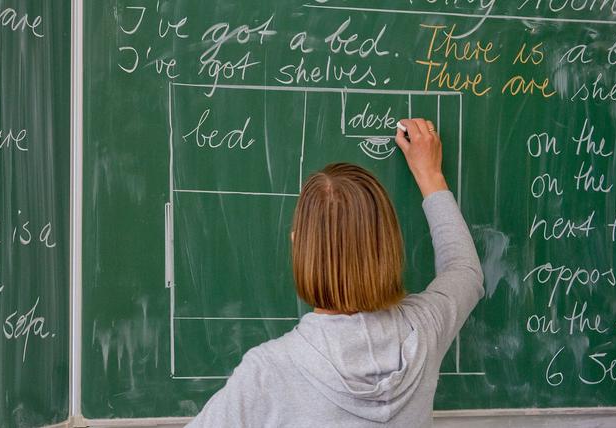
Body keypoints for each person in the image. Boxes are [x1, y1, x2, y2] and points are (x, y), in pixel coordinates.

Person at [187, 118, 485, 427]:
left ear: (298, 245)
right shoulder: (423, 330)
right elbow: (464, 270)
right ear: (390, 245)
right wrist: (430, 174)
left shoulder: (269, 372)